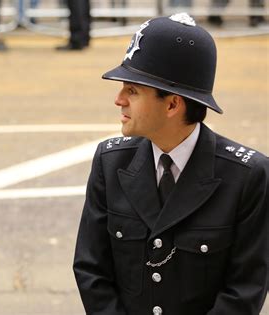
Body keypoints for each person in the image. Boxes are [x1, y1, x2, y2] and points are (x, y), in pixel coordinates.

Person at [73, 13, 268, 314]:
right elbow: (92, 270)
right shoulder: (110, 162)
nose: (119, 99)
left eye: (133, 90)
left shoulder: (247, 176)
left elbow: (244, 290)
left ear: (173, 104)